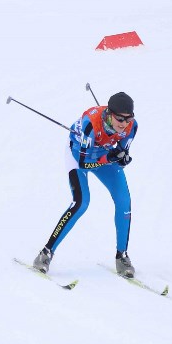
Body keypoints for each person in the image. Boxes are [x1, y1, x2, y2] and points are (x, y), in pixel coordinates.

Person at [34, 91, 138, 277]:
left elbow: (121, 150)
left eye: (128, 119)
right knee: (82, 202)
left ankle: (122, 256)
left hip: (103, 156)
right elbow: (83, 163)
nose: (124, 124)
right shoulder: (90, 124)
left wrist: (121, 158)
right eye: (120, 119)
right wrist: (108, 157)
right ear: (109, 113)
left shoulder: (131, 127)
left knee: (124, 201)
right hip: (78, 155)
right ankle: (45, 253)